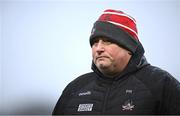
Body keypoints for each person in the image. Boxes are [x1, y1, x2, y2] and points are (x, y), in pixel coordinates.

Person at [52, 9, 180, 115]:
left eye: (107, 41)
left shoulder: (161, 83)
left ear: (129, 47)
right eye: (95, 42)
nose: (99, 48)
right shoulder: (75, 88)